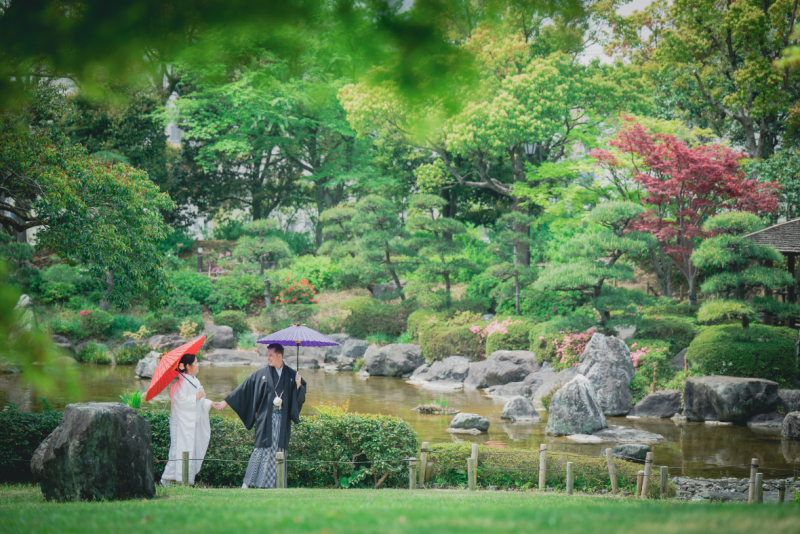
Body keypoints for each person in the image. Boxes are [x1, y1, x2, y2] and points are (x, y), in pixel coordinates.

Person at [214, 343, 306, 489]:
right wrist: (226, 402)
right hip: (265, 420)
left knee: (279, 451)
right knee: (261, 449)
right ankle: (248, 483)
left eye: (270, 355)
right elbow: (244, 388)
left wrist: (299, 386)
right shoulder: (261, 373)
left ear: (279, 356)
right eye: (267, 355)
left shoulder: (292, 375)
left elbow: (299, 397)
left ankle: (276, 485)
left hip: (282, 422)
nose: (268, 358)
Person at [160, 353, 214, 487]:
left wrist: (211, 403)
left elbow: (200, 402)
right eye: (196, 362)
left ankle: (186, 480)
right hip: (180, 424)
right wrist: (196, 397)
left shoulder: (195, 381)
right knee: (177, 450)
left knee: (190, 449)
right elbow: (180, 402)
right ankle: (166, 479)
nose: (198, 364)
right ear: (188, 366)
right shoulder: (180, 384)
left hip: (191, 423)